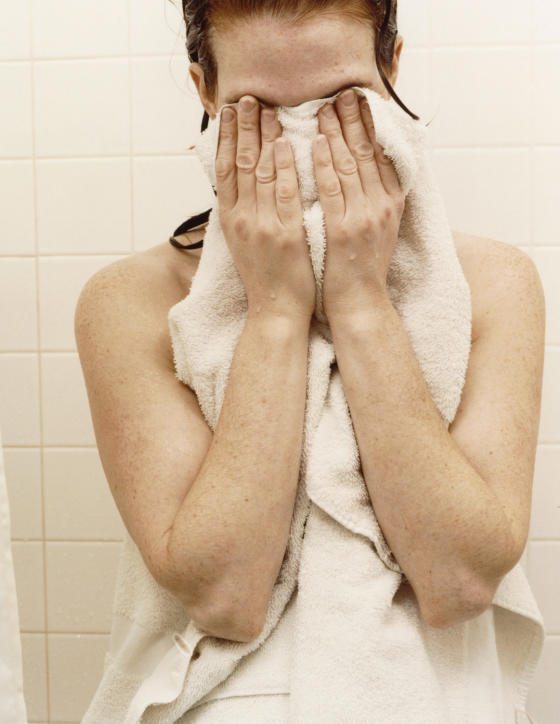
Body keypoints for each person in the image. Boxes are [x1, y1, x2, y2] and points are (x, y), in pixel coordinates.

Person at [74, 0, 545, 720]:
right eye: (259, 109)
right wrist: (274, 311)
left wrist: (360, 302)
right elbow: (225, 594)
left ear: (391, 68)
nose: (304, 139)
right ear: (205, 92)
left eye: (340, 102)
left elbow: (458, 579)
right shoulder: (130, 303)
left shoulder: (495, 286)